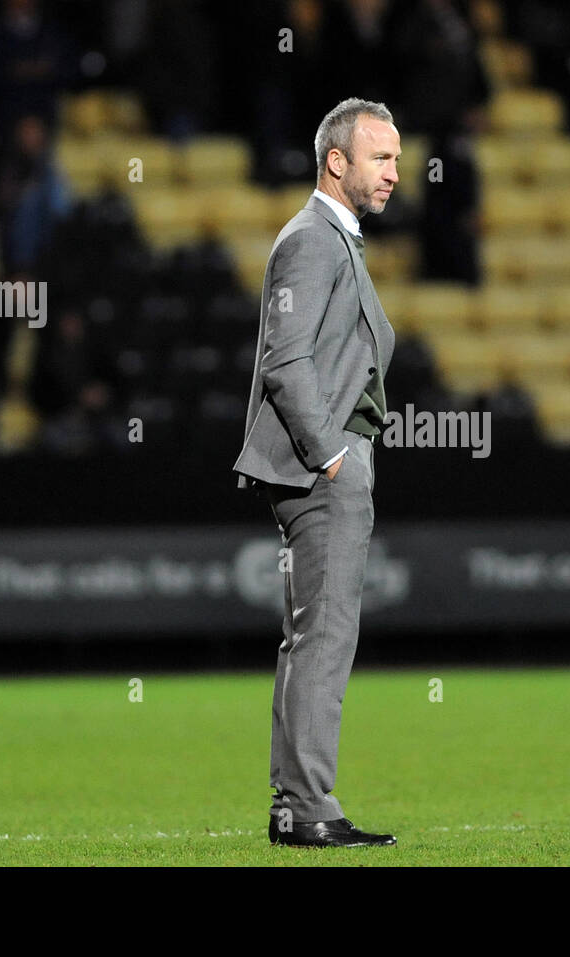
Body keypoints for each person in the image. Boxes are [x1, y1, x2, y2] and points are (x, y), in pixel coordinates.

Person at [233, 97, 399, 848]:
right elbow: (285, 360)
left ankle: (296, 802)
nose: (395, 172)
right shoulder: (313, 240)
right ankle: (307, 806)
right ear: (338, 161)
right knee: (324, 636)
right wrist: (332, 452)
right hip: (321, 470)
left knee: (314, 637)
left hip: (328, 464)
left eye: (395, 158)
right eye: (381, 158)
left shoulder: (335, 239)